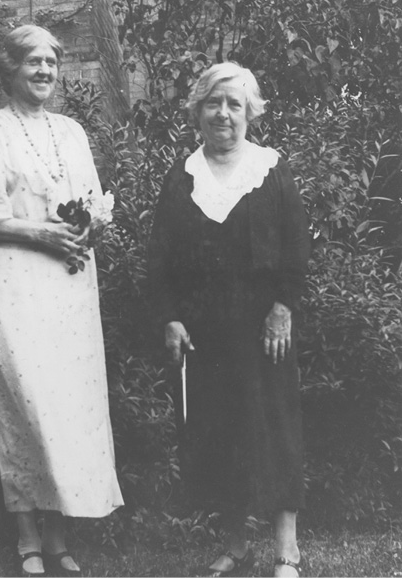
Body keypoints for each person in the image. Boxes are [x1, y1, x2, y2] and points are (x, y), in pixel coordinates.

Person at [0, 24, 124, 578]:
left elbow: (96, 205)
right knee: (23, 403)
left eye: (52, 61)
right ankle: (27, 537)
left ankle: (58, 537)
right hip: (14, 283)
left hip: (71, 283)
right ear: (11, 69)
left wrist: (85, 232)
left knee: (68, 407)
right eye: (34, 62)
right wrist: (41, 233)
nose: (45, 71)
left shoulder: (72, 132)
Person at [148, 62, 310, 578]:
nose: (223, 114)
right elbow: (161, 260)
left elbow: (296, 248)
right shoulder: (182, 178)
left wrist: (283, 309)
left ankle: (287, 548)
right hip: (206, 332)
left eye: (234, 104)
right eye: (214, 103)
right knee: (219, 432)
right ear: (198, 111)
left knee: (276, 427)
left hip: (265, 330)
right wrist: (170, 318)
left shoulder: (271, 170)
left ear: (251, 114)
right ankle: (236, 544)